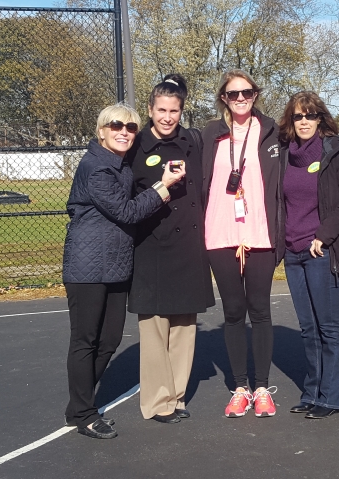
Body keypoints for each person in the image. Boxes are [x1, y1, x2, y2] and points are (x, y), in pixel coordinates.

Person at [63, 103, 185, 439]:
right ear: (101, 131)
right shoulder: (96, 168)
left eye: (131, 127)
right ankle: (84, 413)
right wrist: (162, 187)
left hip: (115, 265)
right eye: (116, 125)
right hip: (87, 268)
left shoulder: (119, 166)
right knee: (85, 340)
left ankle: (78, 405)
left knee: (109, 339)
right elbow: (127, 212)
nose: (124, 132)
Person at [127, 74, 215, 424]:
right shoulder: (135, 145)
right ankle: (156, 402)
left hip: (189, 246)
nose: (167, 117)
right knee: (154, 329)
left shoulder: (192, 141)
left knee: (184, 328)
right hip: (151, 246)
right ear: (150, 110)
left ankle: (176, 397)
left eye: (174, 111)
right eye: (161, 110)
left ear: (181, 111)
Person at [277, 92, 339, 419]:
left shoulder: (336, 152)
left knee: (328, 325)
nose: (304, 121)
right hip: (292, 252)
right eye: (298, 116)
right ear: (291, 120)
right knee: (308, 327)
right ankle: (312, 392)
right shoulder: (286, 154)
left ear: (320, 119)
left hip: (320, 251)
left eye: (310, 115)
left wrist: (324, 234)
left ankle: (331, 397)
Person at [202, 69, 280, 418]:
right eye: (233, 94)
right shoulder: (209, 134)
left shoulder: (272, 131)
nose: (240, 99)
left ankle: (261, 388)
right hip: (220, 234)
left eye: (246, 92)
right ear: (224, 98)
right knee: (233, 312)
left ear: (255, 94)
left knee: (260, 310)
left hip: (260, 234)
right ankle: (240, 388)